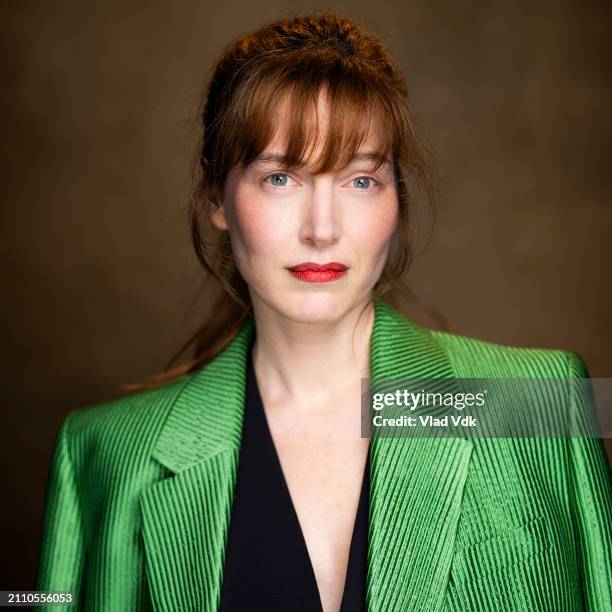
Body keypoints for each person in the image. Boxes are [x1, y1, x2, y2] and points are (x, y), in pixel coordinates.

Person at [36, 10, 611, 612]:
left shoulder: (542, 403)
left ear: (397, 197)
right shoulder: (102, 451)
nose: (322, 230)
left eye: (360, 180)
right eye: (281, 177)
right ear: (216, 196)